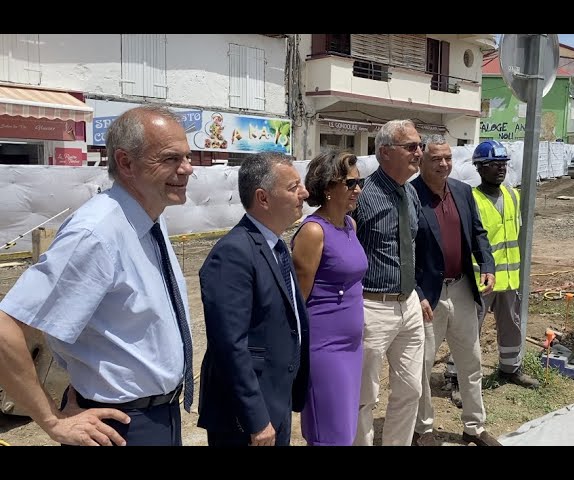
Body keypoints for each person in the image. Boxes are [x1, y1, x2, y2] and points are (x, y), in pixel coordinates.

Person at [0, 104, 195, 446]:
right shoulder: (96, 233)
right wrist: (52, 421)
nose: (187, 168)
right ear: (125, 162)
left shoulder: (149, 218)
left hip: (159, 417)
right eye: (170, 158)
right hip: (118, 428)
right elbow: (6, 330)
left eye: (187, 156)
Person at [197, 152, 310, 447]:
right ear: (263, 198)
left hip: (276, 398)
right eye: (293, 187)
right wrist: (256, 419)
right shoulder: (233, 254)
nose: (305, 193)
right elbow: (230, 346)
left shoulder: (276, 246)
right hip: (246, 417)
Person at [411, 133, 501, 447]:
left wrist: (487, 264)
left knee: (470, 361)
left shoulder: (463, 192)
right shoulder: (411, 196)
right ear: (421, 160)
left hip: (462, 288)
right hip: (427, 296)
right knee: (422, 364)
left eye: (448, 158)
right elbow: (405, 251)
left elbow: (478, 234)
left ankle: (474, 428)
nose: (444, 164)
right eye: (436, 158)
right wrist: (416, 292)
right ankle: (423, 429)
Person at [352, 119, 425, 447]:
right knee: (364, 396)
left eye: (419, 145)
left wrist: (418, 292)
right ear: (384, 153)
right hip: (371, 307)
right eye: (410, 146)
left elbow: (411, 247)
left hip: (408, 306)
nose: (419, 152)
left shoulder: (411, 193)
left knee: (411, 389)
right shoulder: (362, 196)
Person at [290, 149, 368, 446]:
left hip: (352, 346)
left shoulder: (350, 225)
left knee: (345, 430)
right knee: (329, 434)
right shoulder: (313, 232)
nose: (357, 189)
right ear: (327, 188)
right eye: (349, 183)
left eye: (358, 182)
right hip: (325, 348)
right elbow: (298, 300)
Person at [469, 141, 539, 388]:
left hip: (509, 279)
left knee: (511, 325)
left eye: (503, 164)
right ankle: (456, 377)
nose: (500, 169)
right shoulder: (472, 200)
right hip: (482, 280)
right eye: (493, 165)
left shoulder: (513, 195)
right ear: (479, 168)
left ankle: (510, 369)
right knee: (469, 331)